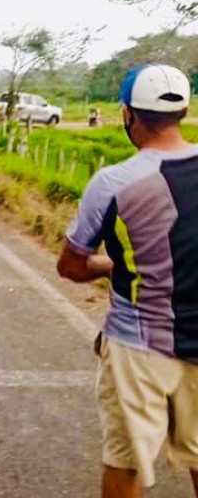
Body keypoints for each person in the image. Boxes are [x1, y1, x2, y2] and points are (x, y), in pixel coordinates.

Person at [57, 64, 198, 497]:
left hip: (138, 347)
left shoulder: (113, 184)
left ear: (126, 114)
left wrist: (113, 266)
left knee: (127, 461)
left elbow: (71, 266)